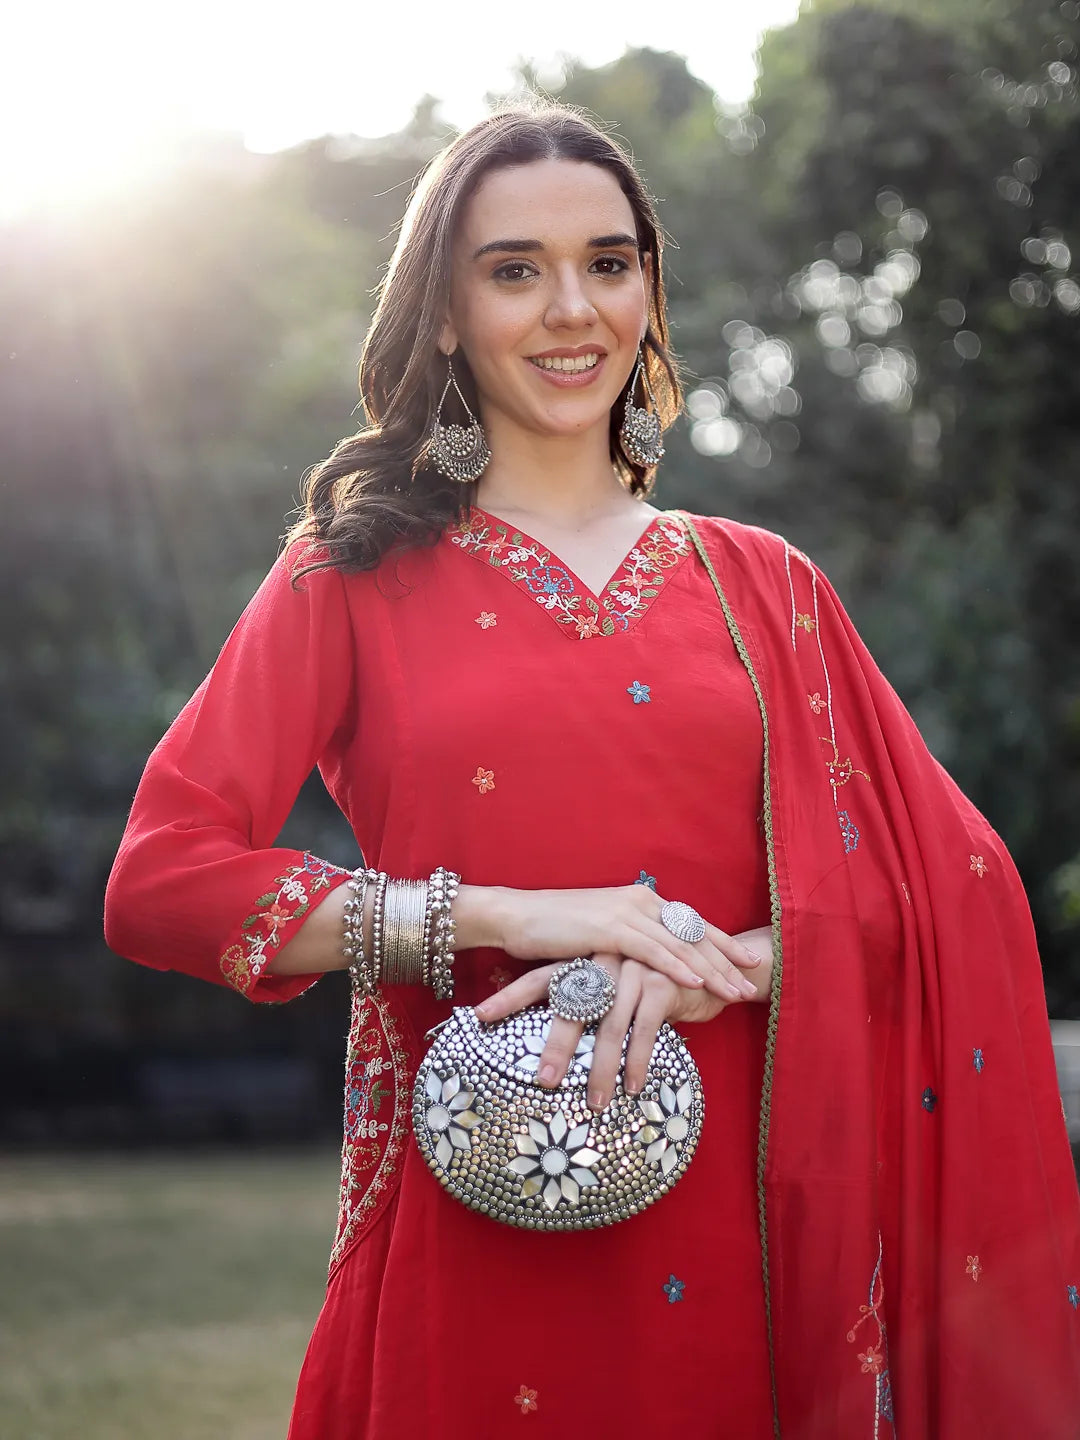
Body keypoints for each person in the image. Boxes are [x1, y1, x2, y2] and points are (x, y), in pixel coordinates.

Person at [104, 102, 1080, 1439]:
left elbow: (944, 893)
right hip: (472, 1207)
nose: (573, 309)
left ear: (649, 293)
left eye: (609, 263)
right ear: (446, 315)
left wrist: (723, 963)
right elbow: (163, 882)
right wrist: (509, 918)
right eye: (516, 270)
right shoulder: (351, 574)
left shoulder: (765, 586)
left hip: (746, 1227)